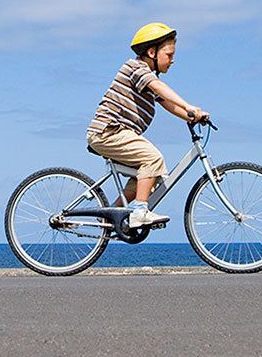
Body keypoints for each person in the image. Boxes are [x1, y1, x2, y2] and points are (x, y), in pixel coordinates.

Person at [86, 23, 209, 229]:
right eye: (169, 54)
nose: (172, 60)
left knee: (150, 177)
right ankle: (140, 212)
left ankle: (112, 216)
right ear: (151, 52)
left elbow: (167, 103)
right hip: (108, 132)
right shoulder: (135, 68)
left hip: (118, 133)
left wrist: (190, 116)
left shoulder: (147, 77)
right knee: (152, 158)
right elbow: (158, 87)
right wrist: (189, 106)